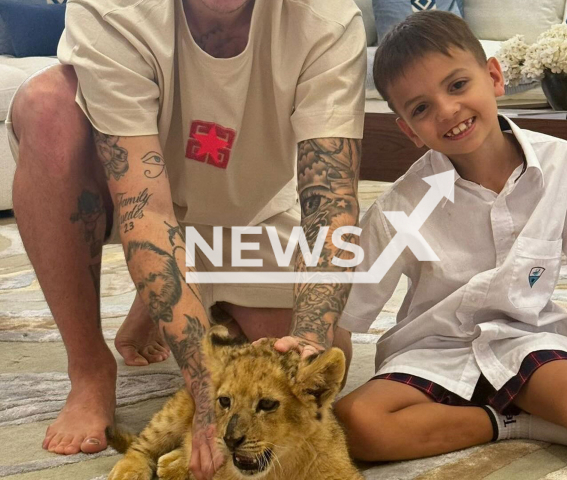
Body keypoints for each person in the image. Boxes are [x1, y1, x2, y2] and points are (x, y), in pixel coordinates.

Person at [6, 0, 365, 478]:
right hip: (125, 199)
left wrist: (310, 343)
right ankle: (91, 367)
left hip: (244, 215)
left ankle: (182, 299)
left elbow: (332, 205)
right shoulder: (114, 8)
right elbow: (146, 209)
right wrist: (204, 396)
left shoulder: (329, 18)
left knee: (327, 346)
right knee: (47, 104)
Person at [334, 10, 567, 462]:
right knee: (354, 426)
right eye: (421, 108)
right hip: (430, 351)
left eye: (457, 85)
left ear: (494, 76)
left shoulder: (566, 166)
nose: (448, 110)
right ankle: (514, 422)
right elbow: (347, 312)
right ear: (408, 130)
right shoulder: (399, 206)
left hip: (527, 342)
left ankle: (502, 410)